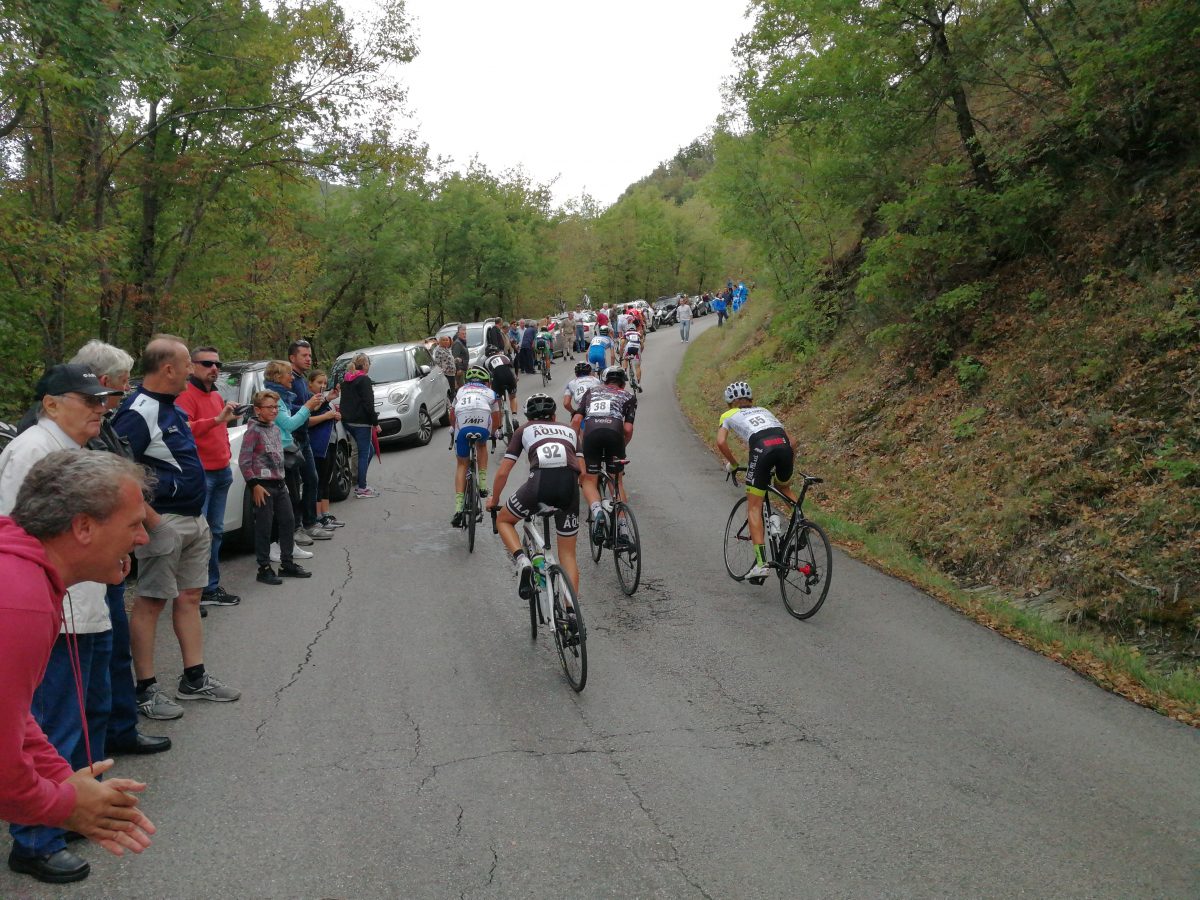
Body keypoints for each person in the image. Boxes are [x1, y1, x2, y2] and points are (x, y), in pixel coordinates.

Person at [1, 452, 157, 884]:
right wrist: (66, 805)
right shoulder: (19, 600)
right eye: (132, 525)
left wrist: (61, 777)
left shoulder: (25, 572)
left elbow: (15, 718)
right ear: (83, 527)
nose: (143, 538)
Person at [0, 367, 129, 880]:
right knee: (51, 719)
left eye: (104, 400)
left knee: (88, 710)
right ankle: (35, 837)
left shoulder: (77, 448)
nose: (101, 408)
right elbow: (19, 532)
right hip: (49, 619)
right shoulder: (30, 451)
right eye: (89, 399)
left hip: (83, 608)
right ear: (51, 404)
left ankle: (81, 803)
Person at [112, 334, 241, 719]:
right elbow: (120, 471)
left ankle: (194, 677)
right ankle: (146, 689)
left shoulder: (172, 408)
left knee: (189, 597)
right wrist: (150, 519)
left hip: (193, 518)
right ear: (168, 368)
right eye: (187, 364)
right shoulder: (137, 411)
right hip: (163, 521)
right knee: (150, 602)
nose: (191, 370)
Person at [69, 341, 171, 757]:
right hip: (88, 566)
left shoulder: (104, 421)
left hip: (111, 553)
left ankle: (119, 729)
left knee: (113, 647)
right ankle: (103, 743)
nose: (123, 394)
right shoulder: (71, 435)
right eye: (121, 386)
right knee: (99, 655)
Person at [486, 393, 581, 628]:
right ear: (555, 415)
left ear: (528, 416)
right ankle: (571, 615)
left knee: (504, 520)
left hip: (538, 484)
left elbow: (503, 472)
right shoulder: (570, 430)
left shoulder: (524, 430)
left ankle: (522, 561)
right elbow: (583, 470)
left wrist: (494, 499)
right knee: (568, 554)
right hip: (569, 486)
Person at [176, 345, 242, 608]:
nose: (214, 368)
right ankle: (192, 595)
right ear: (191, 366)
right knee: (196, 537)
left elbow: (221, 430)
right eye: (207, 363)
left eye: (218, 364)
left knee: (216, 532)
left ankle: (210, 589)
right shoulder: (185, 396)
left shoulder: (216, 396)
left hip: (221, 471)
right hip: (200, 475)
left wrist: (225, 452)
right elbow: (183, 431)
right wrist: (216, 419)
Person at [715, 381, 798, 582]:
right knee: (782, 486)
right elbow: (793, 442)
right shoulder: (764, 410)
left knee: (754, 507)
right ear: (752, 401)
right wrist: (786, 462)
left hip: (762, 450)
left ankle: (761, 564)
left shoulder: (727, 415)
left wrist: (734, 464)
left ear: (730, 404)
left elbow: (721, 441)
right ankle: (801, 521)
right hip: (784, 448)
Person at [238, 389, 312, 584]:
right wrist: (253, 484)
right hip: (262, 486)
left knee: (288, 521)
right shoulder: (253, 431)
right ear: (258, 409)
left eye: (276, 407)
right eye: (269, 407)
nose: (274, 411)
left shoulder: (275, 429)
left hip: (279, 483)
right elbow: (244, 460)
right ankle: (263, 567)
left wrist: (283, 480)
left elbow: (278, 459)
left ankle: (287, 563)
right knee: (265, 526)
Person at [571, 366, 637, 544]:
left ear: (604, 381)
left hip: (591, 434)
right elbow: (628, 429)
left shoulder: (591, 392)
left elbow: (576, 420)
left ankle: (597, 511)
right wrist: (622, 446)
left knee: (588, 480)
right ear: (623, 383)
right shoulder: (628, 396)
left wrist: (575, 447)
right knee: (617, 482)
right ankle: (623, 528)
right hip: (614, 435)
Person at [287, 340, 333, 543]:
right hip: (293, 439)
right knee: (295, 485)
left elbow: (307, 406)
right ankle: (297, 528)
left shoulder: (300, 379)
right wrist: (309, 406)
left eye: (309, 355)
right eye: (304, 355)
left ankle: (310, 522)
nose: (308, 359)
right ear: (292, 358)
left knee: (312, 479)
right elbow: (288, 410)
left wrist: (324, 399)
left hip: (303, 436)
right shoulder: (288, 381)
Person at [449, 367, 500, 528]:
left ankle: (458, 508)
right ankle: (483, 485)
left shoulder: (460, 391)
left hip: (462, 424)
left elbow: (452, 414)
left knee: (462, 464)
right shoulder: (491, 393)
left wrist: (452, 429)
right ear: (486, 382)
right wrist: (494, 432)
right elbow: (496, 418)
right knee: (482, 444)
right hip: (482, 422)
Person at [306, 370, 344, 530]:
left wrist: (335, 415)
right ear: (310, 384)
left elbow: (327, 413)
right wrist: (328, 414)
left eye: (324, 383)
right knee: (319, 480)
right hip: (318, 445)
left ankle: (326, 513)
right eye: (319, 383)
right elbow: (310, 416)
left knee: (327, 478)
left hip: (331, 441)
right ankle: (318, 515)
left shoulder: (323, 400)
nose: (322, 386)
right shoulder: (311, 400)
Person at [339, 353, 379, 498]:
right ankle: (362, 488)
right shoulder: (364, 380)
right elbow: (369, 404)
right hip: (361, 422)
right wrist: (375, 423)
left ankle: (359, 480)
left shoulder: (346, 381)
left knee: (369, 451)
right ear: (366, 365)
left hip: (348, 421)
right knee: (364, 453)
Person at [484, 347, 519, 429]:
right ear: (497, 352)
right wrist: (516, 377)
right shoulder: (504, 357)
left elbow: (487, 380)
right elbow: (513, 367)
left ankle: (500, 429)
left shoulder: (486, 362)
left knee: (498, 404)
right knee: (513, 397)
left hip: (497, 380)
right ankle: (514, 417)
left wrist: (488, 391)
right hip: (509, 377)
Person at [432, 334, 457, 403]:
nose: (446, 341)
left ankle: (454, 405)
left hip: (451, 373)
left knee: (453, 390)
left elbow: (449, 360)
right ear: (440, 341)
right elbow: (438, 363)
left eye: (447, 340)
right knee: (451, 392)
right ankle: (452, 407)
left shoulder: (446, 349)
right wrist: (443, 371)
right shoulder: (438, 350)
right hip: (446, 375)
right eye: (444, 340)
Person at [621, 326, 645, 392]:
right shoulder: (638, 334)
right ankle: (639, 384)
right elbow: (642, 345)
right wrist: (640, 352)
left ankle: (625, 373)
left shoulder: (626, 333)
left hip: (629, 346)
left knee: (625, 359)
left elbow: (622, 342)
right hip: (637, 348)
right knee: (637, 367)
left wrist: (621, 355)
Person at [451, 325, 470, 391]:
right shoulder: (457, 343)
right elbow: (455, 358)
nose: (464, 335)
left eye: (465, 333)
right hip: (460, 371)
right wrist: (458, 369)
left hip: (464, 369)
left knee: (466, 388)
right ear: (458, 334)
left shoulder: (462, 342)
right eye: (462, 333)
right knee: (462, 390)